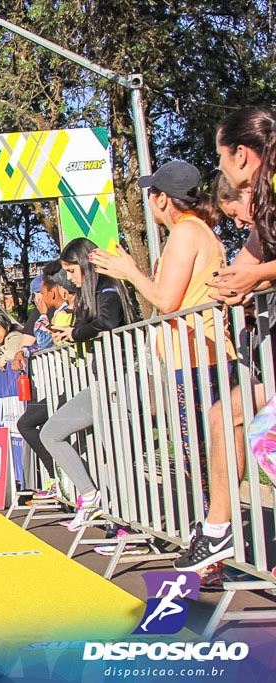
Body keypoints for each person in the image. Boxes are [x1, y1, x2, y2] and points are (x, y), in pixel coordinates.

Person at [89, 160, 232, 490]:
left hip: (198, 357)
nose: (148, 202)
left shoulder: (185, 232)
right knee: (207, 455)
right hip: (200, 354)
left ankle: (217, 532)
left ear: (163, 199)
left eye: (150, 194)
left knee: (198, 458)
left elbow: (166, 302)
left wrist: (130, 272)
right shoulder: (198, 231)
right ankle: (217, 531)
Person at [176, 106, 276, 571]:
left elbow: (255, 266)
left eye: (221, 159)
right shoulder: (264, 205)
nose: (220, 170)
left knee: (260, 433)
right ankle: (217, 531)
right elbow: (243, 263)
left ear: (242, 154)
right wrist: (235, 283)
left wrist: (256, 275)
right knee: (226, 416)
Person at [39, 238, 136, 531]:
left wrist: (76, 332)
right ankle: (91, 496)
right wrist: (71, 333)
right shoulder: (93, 294)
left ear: (84, 265)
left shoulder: (110, 288)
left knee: (117, 455)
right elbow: (94, 325)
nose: (69, 278)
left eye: (71, 270)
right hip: (102, 384)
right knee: (52, 433)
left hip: (120, 385)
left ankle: (125, 524)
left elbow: (106, 322)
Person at [16, 260, 77, 499]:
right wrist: (23, 352)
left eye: (39, 294)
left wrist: (42, 317)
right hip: (52, 385)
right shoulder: (50, 313)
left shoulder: (63, 312)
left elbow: (46, 342)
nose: (38, 299)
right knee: (35, 427)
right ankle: (62, 481)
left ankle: (66, 482)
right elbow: (31, 344)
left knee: (42, 429)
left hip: (67, 383)